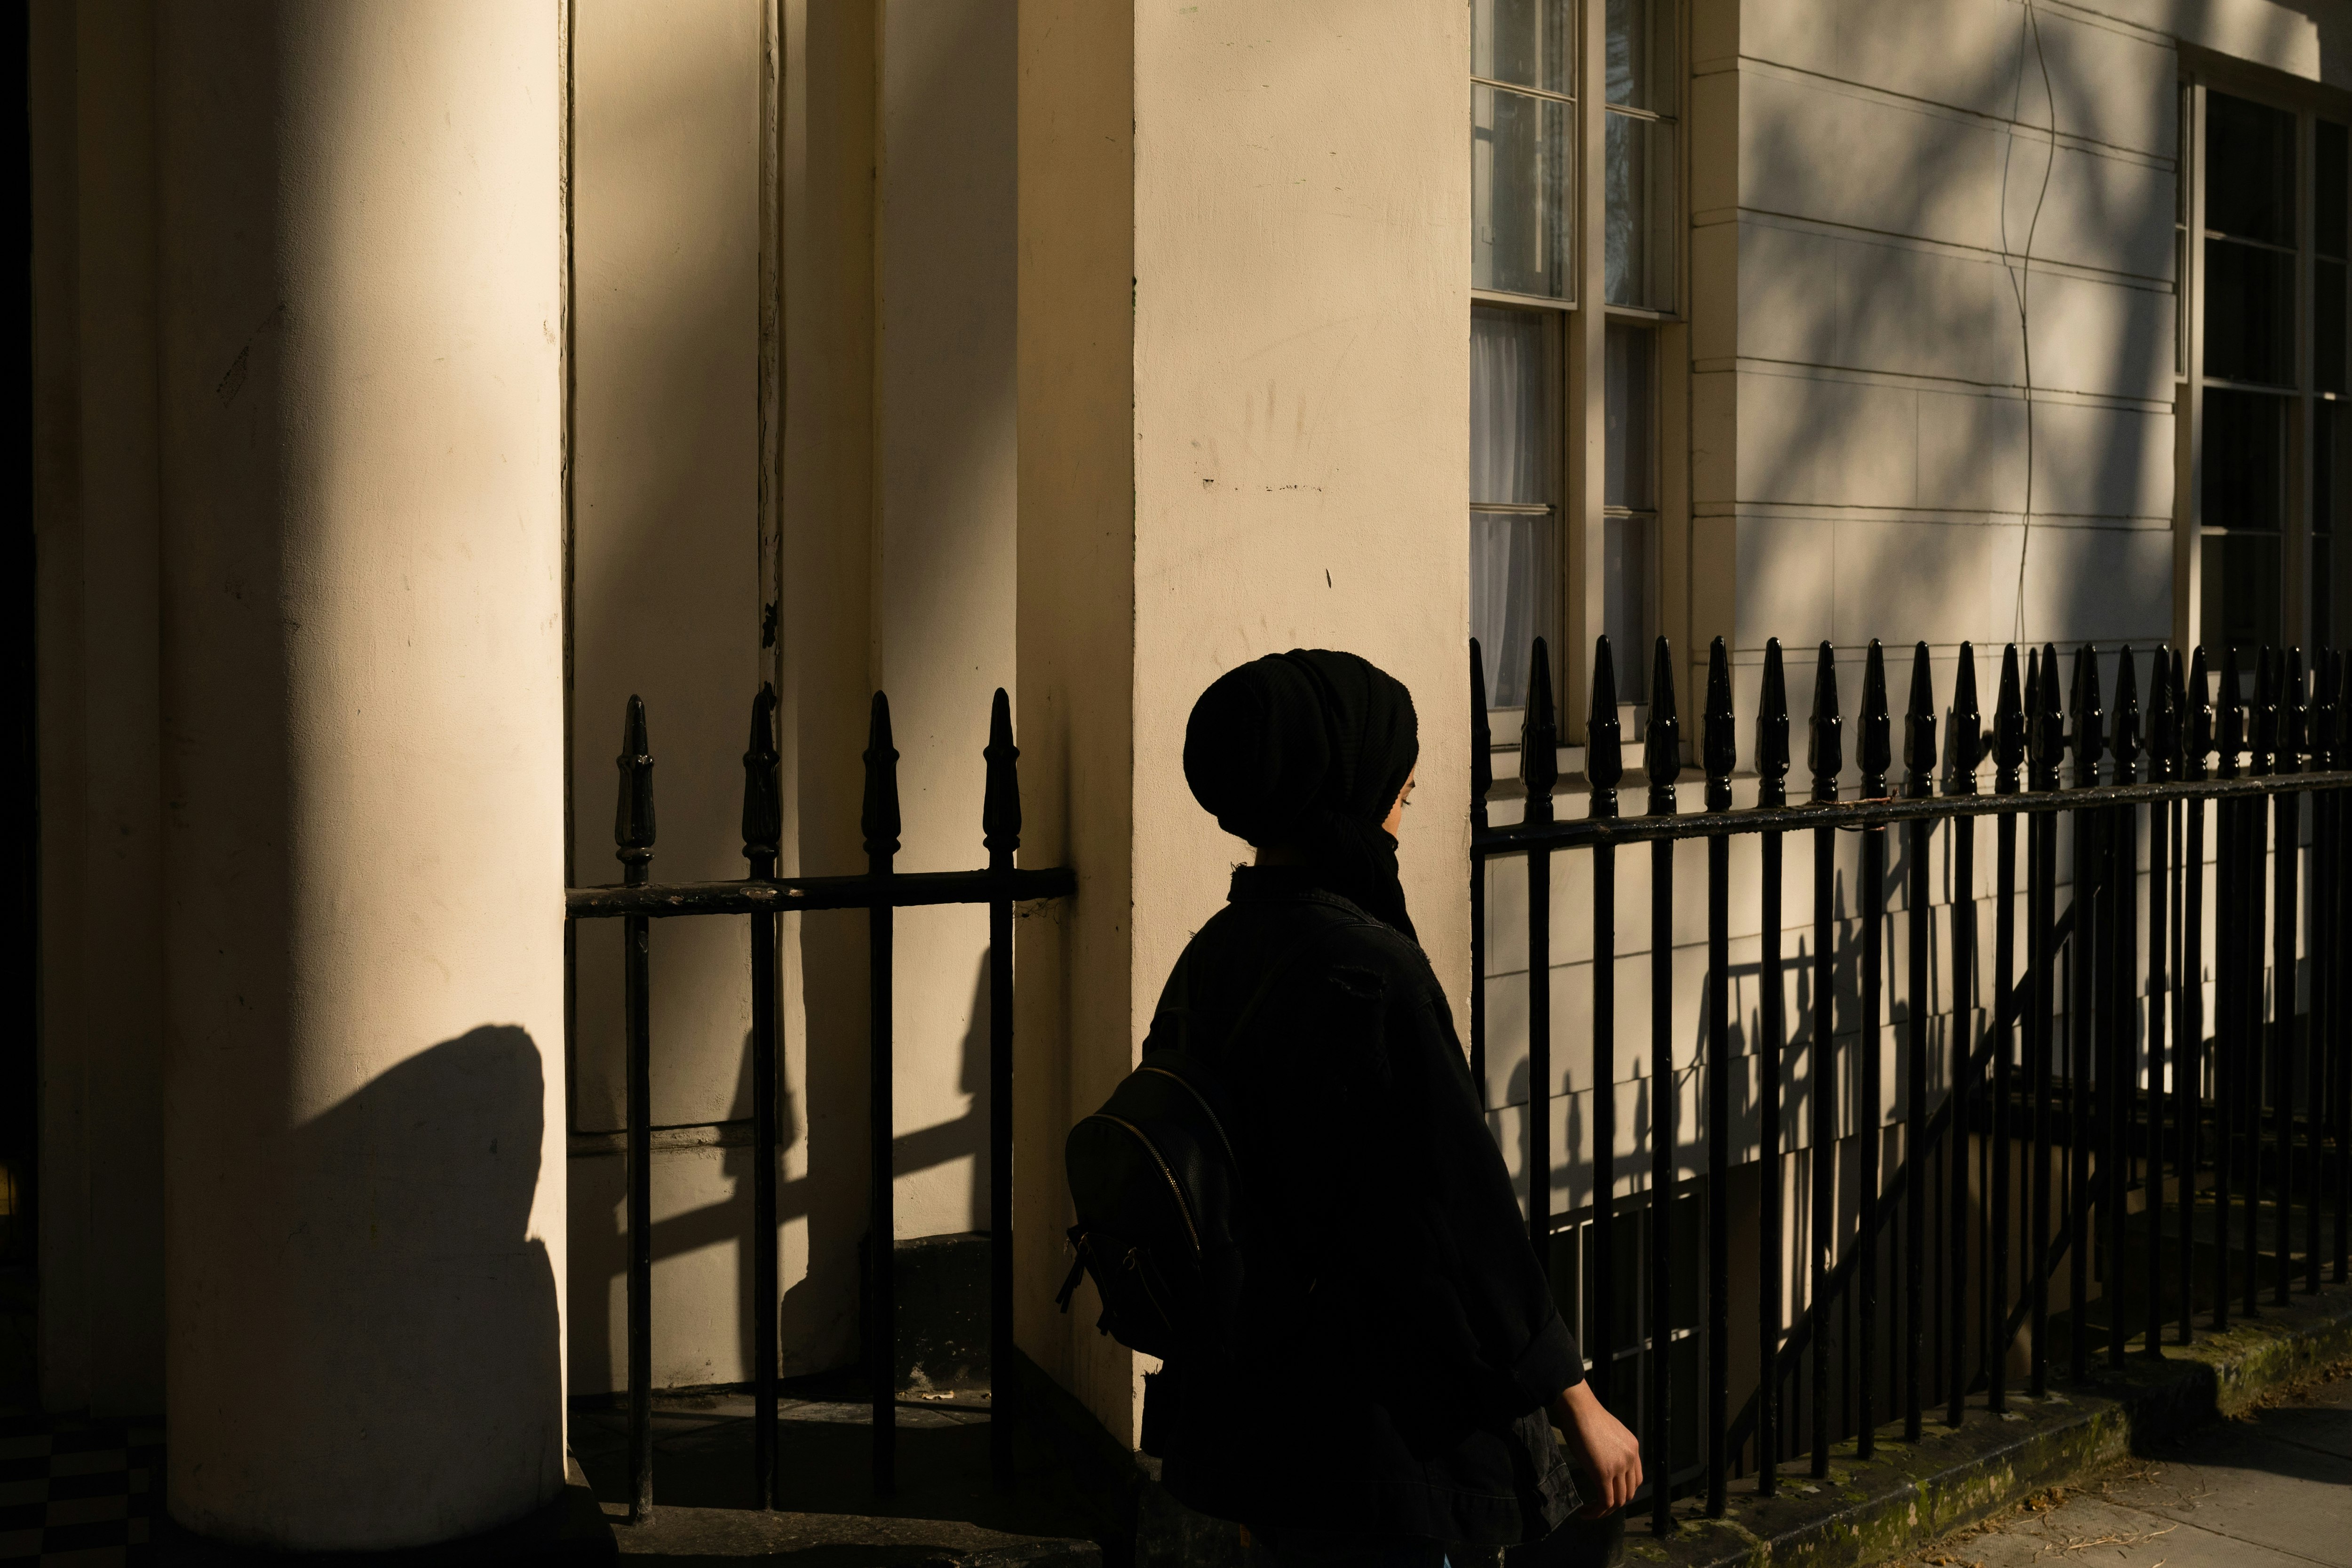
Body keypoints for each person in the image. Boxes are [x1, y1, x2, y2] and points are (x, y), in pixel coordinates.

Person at [1145, 649, 1642, 1568]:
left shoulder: (1214, 953)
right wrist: (1577, 1403)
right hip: (1375, 1440)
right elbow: (1460, 1216)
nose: (1400, 817)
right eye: (1402, 793)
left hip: (1252, 1414)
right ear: (1350, 786)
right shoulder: (1369, 974)